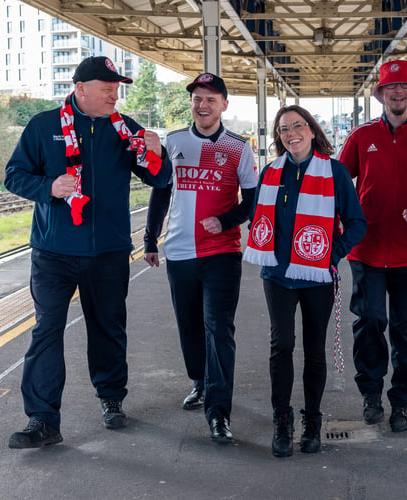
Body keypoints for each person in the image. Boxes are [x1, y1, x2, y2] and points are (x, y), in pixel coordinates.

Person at [4, 56, 168, 448]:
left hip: (108, 250)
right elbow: (14, 175)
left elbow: (160, 179)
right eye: (106, 87)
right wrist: (49, 188)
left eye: (117, 87)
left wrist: (156, 151)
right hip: (53, 251)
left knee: (108, 327)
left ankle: (111, 397)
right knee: (46, 330)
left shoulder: (125, 129)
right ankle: (43, 420)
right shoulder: (44, 126)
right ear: (80, 89)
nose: (115, 94)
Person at [244, 105, 366, 457]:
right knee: (281, 345)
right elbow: (256, 218)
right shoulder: (270, 173)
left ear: (312, 131)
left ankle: (312, 419)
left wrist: (332, 253)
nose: (291, 133)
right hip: (278, 275)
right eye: (283, 128)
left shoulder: (335, 172)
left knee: (314, 350)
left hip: (316, 277)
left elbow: (357, 223)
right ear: (278, 136)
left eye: (298, 126)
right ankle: (282, 420)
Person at [143, 73, 257, 444]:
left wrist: (224, 221)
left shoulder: (239, 147)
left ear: (224, 105)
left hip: (222, 252)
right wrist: (149, 239)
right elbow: (161, 193)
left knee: (218, 328)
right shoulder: (174, 142)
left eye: (210, 99)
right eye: (197, 99)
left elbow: (252, 202)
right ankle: (200, 381)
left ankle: (219, 411)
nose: (203, 106)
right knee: (189, 325)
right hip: (179, 251)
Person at [337, 60, 407, 433]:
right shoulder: (362, 137)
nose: (398, 93)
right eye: (391, 87)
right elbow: (339, 182)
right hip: (369, 251)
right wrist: (346, 224)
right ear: (380, 94)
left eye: (404, 87)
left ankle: (402, 401)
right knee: (371, 322)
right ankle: (370, 393)